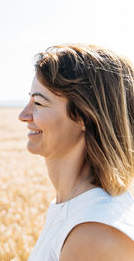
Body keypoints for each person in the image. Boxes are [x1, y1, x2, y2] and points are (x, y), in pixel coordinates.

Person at [19, 44, 134, 261]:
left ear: (83, 116)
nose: (23, 115)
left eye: (38, 103)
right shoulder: (72, 207)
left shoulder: (94, 234)